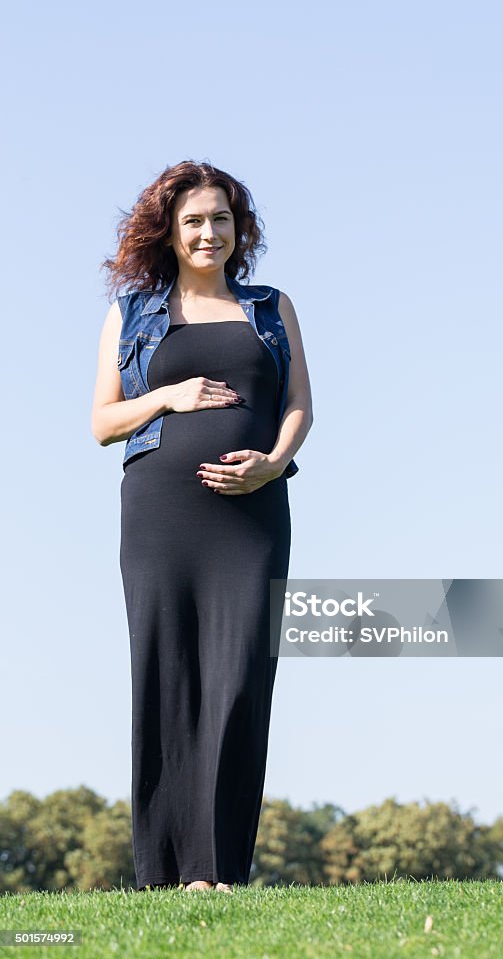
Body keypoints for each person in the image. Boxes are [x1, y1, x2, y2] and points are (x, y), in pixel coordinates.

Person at [91, 160, 313, 892]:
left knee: (241, 676)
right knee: (167, 673)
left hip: (252, 516)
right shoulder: (134, 312)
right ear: (171, 230)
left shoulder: (271, 306)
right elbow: (100, 423)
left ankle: (219, 867)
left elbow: (299, 407)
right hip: (159, 512)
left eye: (220, 218)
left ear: (237, 227)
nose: (208, 232)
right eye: (194, 220)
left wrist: (274, 464)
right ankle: (168, 871)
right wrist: (169, 396)